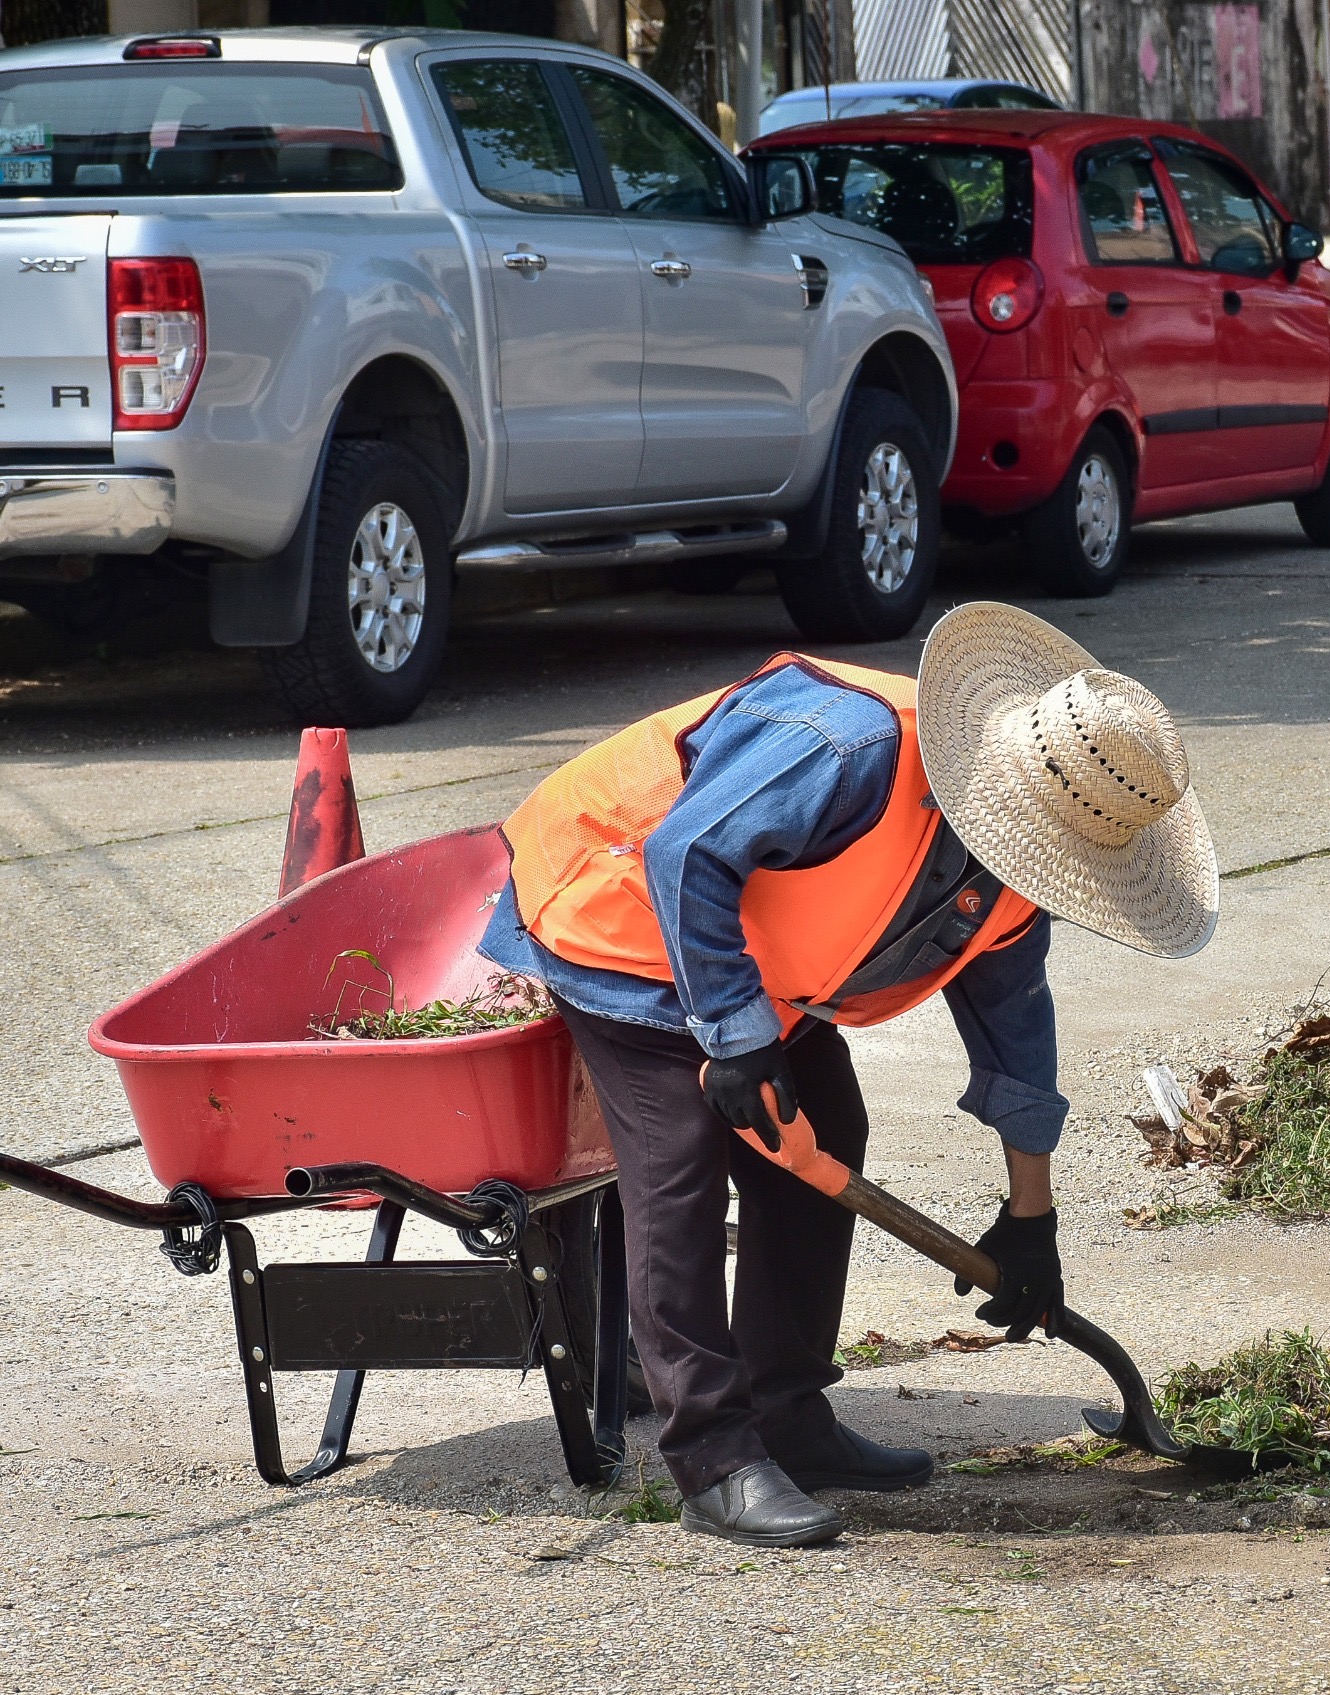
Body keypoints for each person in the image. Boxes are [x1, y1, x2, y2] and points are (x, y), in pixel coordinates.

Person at [478, 602, 1217, 1548]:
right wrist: (737, 1044)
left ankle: (786, 1410)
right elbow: (685, 854)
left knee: (826, 1124)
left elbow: (1016, 1036)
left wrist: (1032, 1215)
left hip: (746, 955)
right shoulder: (846, 751)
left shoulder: (1012, 880)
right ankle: (710, 1456)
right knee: (680, 1163)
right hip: (615, 903)